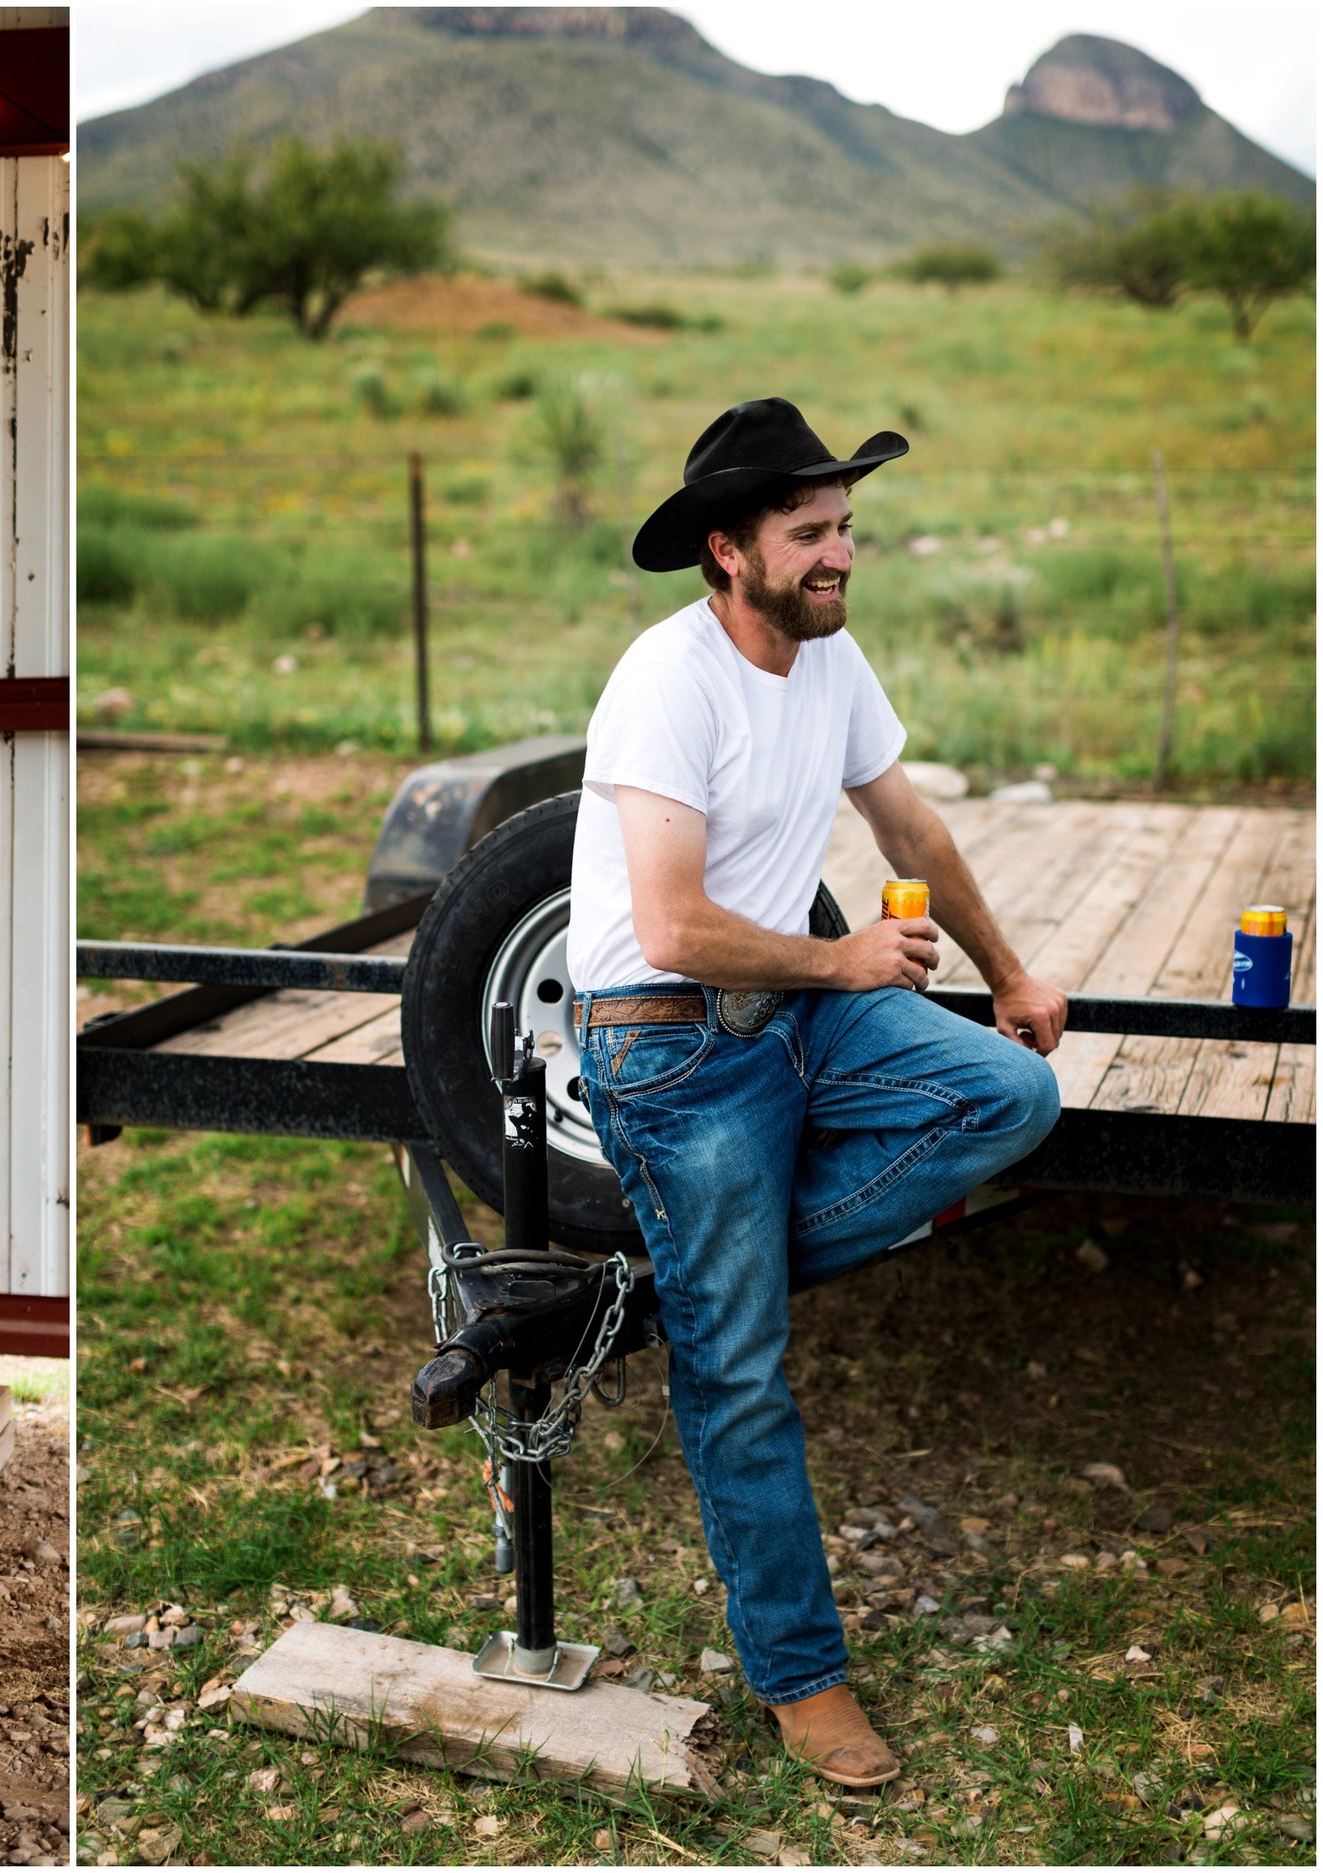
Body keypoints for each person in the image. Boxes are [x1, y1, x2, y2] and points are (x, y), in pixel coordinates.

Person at [567, 398, 1067, 1788]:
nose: (843, 551)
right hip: (666, 1037)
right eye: (813, 531)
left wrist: (1010, 971)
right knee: (747, 1376)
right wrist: (844, 958)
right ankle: (803, 1677)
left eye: (848, 525)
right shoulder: (666, 680)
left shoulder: (830, 662)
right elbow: (667, 926)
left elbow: (910, 824)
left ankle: (700, 1284)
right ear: (729, 552)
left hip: (797, 1006)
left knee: (1007, 1099)